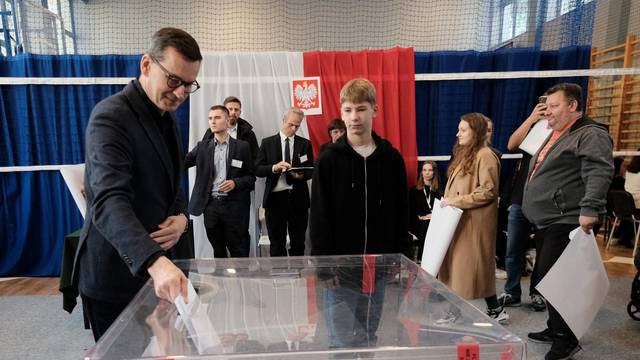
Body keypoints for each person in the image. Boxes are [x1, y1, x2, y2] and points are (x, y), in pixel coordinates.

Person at [71, 28, 201, 341]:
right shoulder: (110, 117)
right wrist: (155, 262)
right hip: (115, 278)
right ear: (146, 65)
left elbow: (173, 181)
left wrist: (182, 216)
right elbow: (107, 201)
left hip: (156, 275)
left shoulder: (167, 116)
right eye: (174, 80)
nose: (181, 93)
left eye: (189, 84)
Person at [310, 78, 409, 348]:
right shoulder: (328, 159)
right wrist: (324, 267)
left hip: (377, 269)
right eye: (349, 110)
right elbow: (319, 216)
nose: (355, 117)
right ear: (341, 113)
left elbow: (401, 211)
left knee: (368, 337)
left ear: (375, 110)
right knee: (339, 340)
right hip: (341, 271)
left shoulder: (392, 159)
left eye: (361, 109)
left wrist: (398, 257)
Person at [522, 83, 613, 360]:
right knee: (549, 278)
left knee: (558, 281)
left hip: (569, 219)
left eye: (554, 106)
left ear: (572, 105)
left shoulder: (590, 133)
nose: (547, 111)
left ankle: (566, 339)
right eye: (547, 106)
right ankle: (555, 327)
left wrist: (590, 208)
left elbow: (599, 171)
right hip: (550, 220)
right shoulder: (558, 133)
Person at [439, 112, 508, 323]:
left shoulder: (485, 155)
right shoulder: (467, 153)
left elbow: (488, 191)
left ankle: (454, 312)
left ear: (475, 132)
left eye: (463, 130)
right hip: (460, 221)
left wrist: (454, 202)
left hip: (472, 224)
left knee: (462, 269)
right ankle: (495, 309)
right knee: (461, 268)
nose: (457, 133)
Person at [185, 105, 255, 258]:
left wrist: (235, 183)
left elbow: (251, 178)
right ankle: (222, 282)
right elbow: (182, 163)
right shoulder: (202, 147)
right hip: (211, 207)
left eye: (217, 117)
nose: (212, 121)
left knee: (239, 251)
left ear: (227, 119)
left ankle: (241, 281)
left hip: (235, 206)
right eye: (210, 118)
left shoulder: (242, 147)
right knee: (218, 251)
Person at [498, 102, 548, 312]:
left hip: (546, 200)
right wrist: (532, 118)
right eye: (547, 104)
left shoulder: (564, 132)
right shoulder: (535, 128)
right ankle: (512, 292)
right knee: (513, 249)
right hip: (520, 197)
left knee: (544, 251)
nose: (549, 109)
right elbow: (511, 145)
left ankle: (538, 293)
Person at [255, 107, 314, 256]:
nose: (293, 129)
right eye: (291, 124)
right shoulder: (268, 142)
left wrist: (300, 176)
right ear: (283, 120)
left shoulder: (305, 144)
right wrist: (274, 167)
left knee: (298, 242)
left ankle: (299, 277)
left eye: (297, 126)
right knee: (276, 243)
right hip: (275, 199)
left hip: (298, 198)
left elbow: (310, 170)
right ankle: (278, 277)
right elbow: (258, 169)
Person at [201, 96, 259, 160]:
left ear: (240, 112)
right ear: (224, 112)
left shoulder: (248, 133)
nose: (233, 112)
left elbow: (255, 158)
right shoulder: (211, 131)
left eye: (236, 110)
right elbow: (202, 154)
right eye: (230, 109)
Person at [408, 160, 442, 262]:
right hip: (417, 222)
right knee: (425, 225)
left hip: (436, 221)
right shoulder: (414, 190)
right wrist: (419, 217)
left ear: (434, 172)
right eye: (424, 170)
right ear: (421, 172)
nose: (427, 173)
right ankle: (422, 258)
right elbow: (409, 209)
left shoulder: (440, 190)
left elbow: (444, 209)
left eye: (430, 170)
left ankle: (427, 259)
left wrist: (434, 215)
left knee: (429, 224)